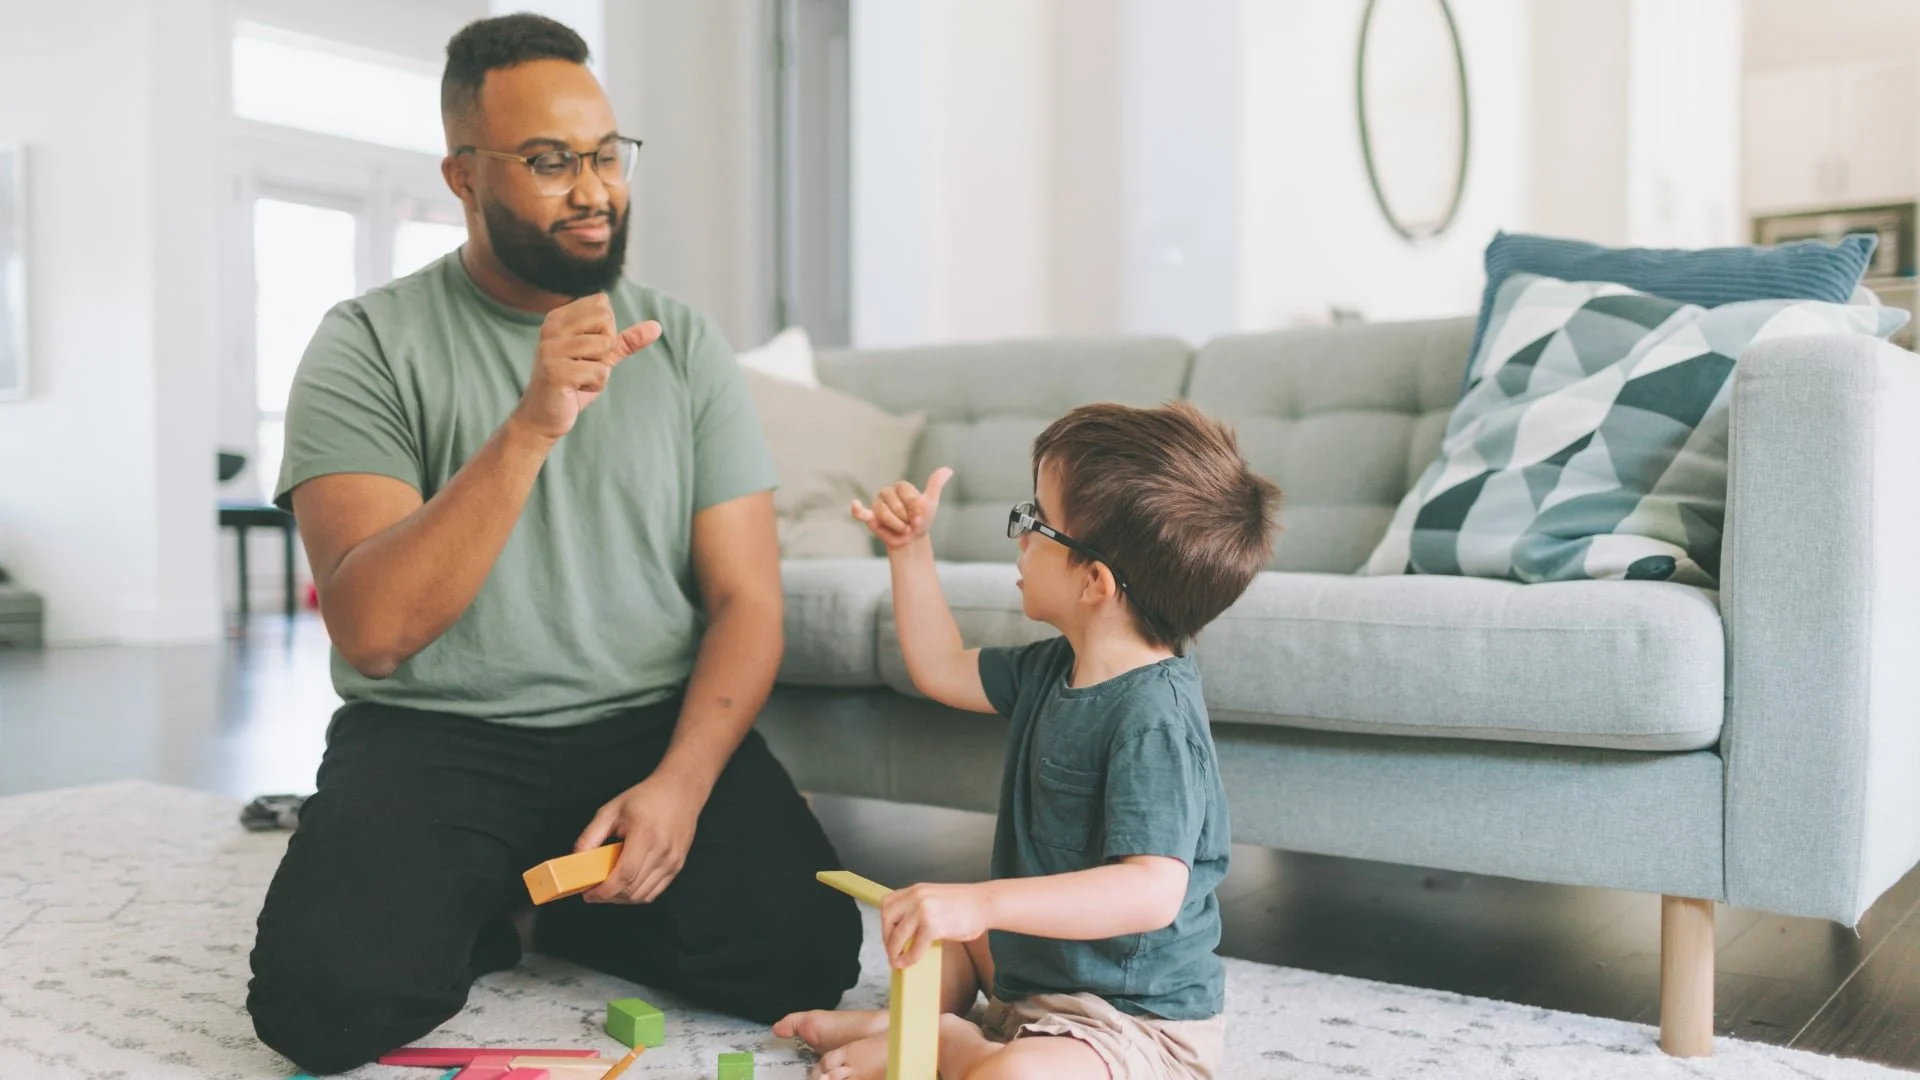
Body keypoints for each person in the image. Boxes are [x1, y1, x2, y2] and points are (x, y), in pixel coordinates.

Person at [244, 14, 860, 1074]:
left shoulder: (685, 343)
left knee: (803, 956)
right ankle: (495, 894)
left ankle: (546, 901)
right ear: (462, 176)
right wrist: (530, 426)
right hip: (438, 734)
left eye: (606, 155)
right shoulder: (367, 344)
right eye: (548, 161)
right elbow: (376, 632)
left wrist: (682, 784)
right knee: (322, 1004)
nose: (593, 188)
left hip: (643, 729)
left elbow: (747, 599)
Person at [777, 404, 1281, 1080]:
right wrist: (909, 550)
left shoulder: (1154, 717)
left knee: (1008, 1075)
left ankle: (950, 1045)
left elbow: (1151, 892)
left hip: (1130, 1019)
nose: (1019, 538)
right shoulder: (1053, 667)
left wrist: (981, 901)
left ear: (1093, 581)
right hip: (1035, 968)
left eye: (1035, 522)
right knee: (938, 936)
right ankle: (924, 1027)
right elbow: (939, 667)